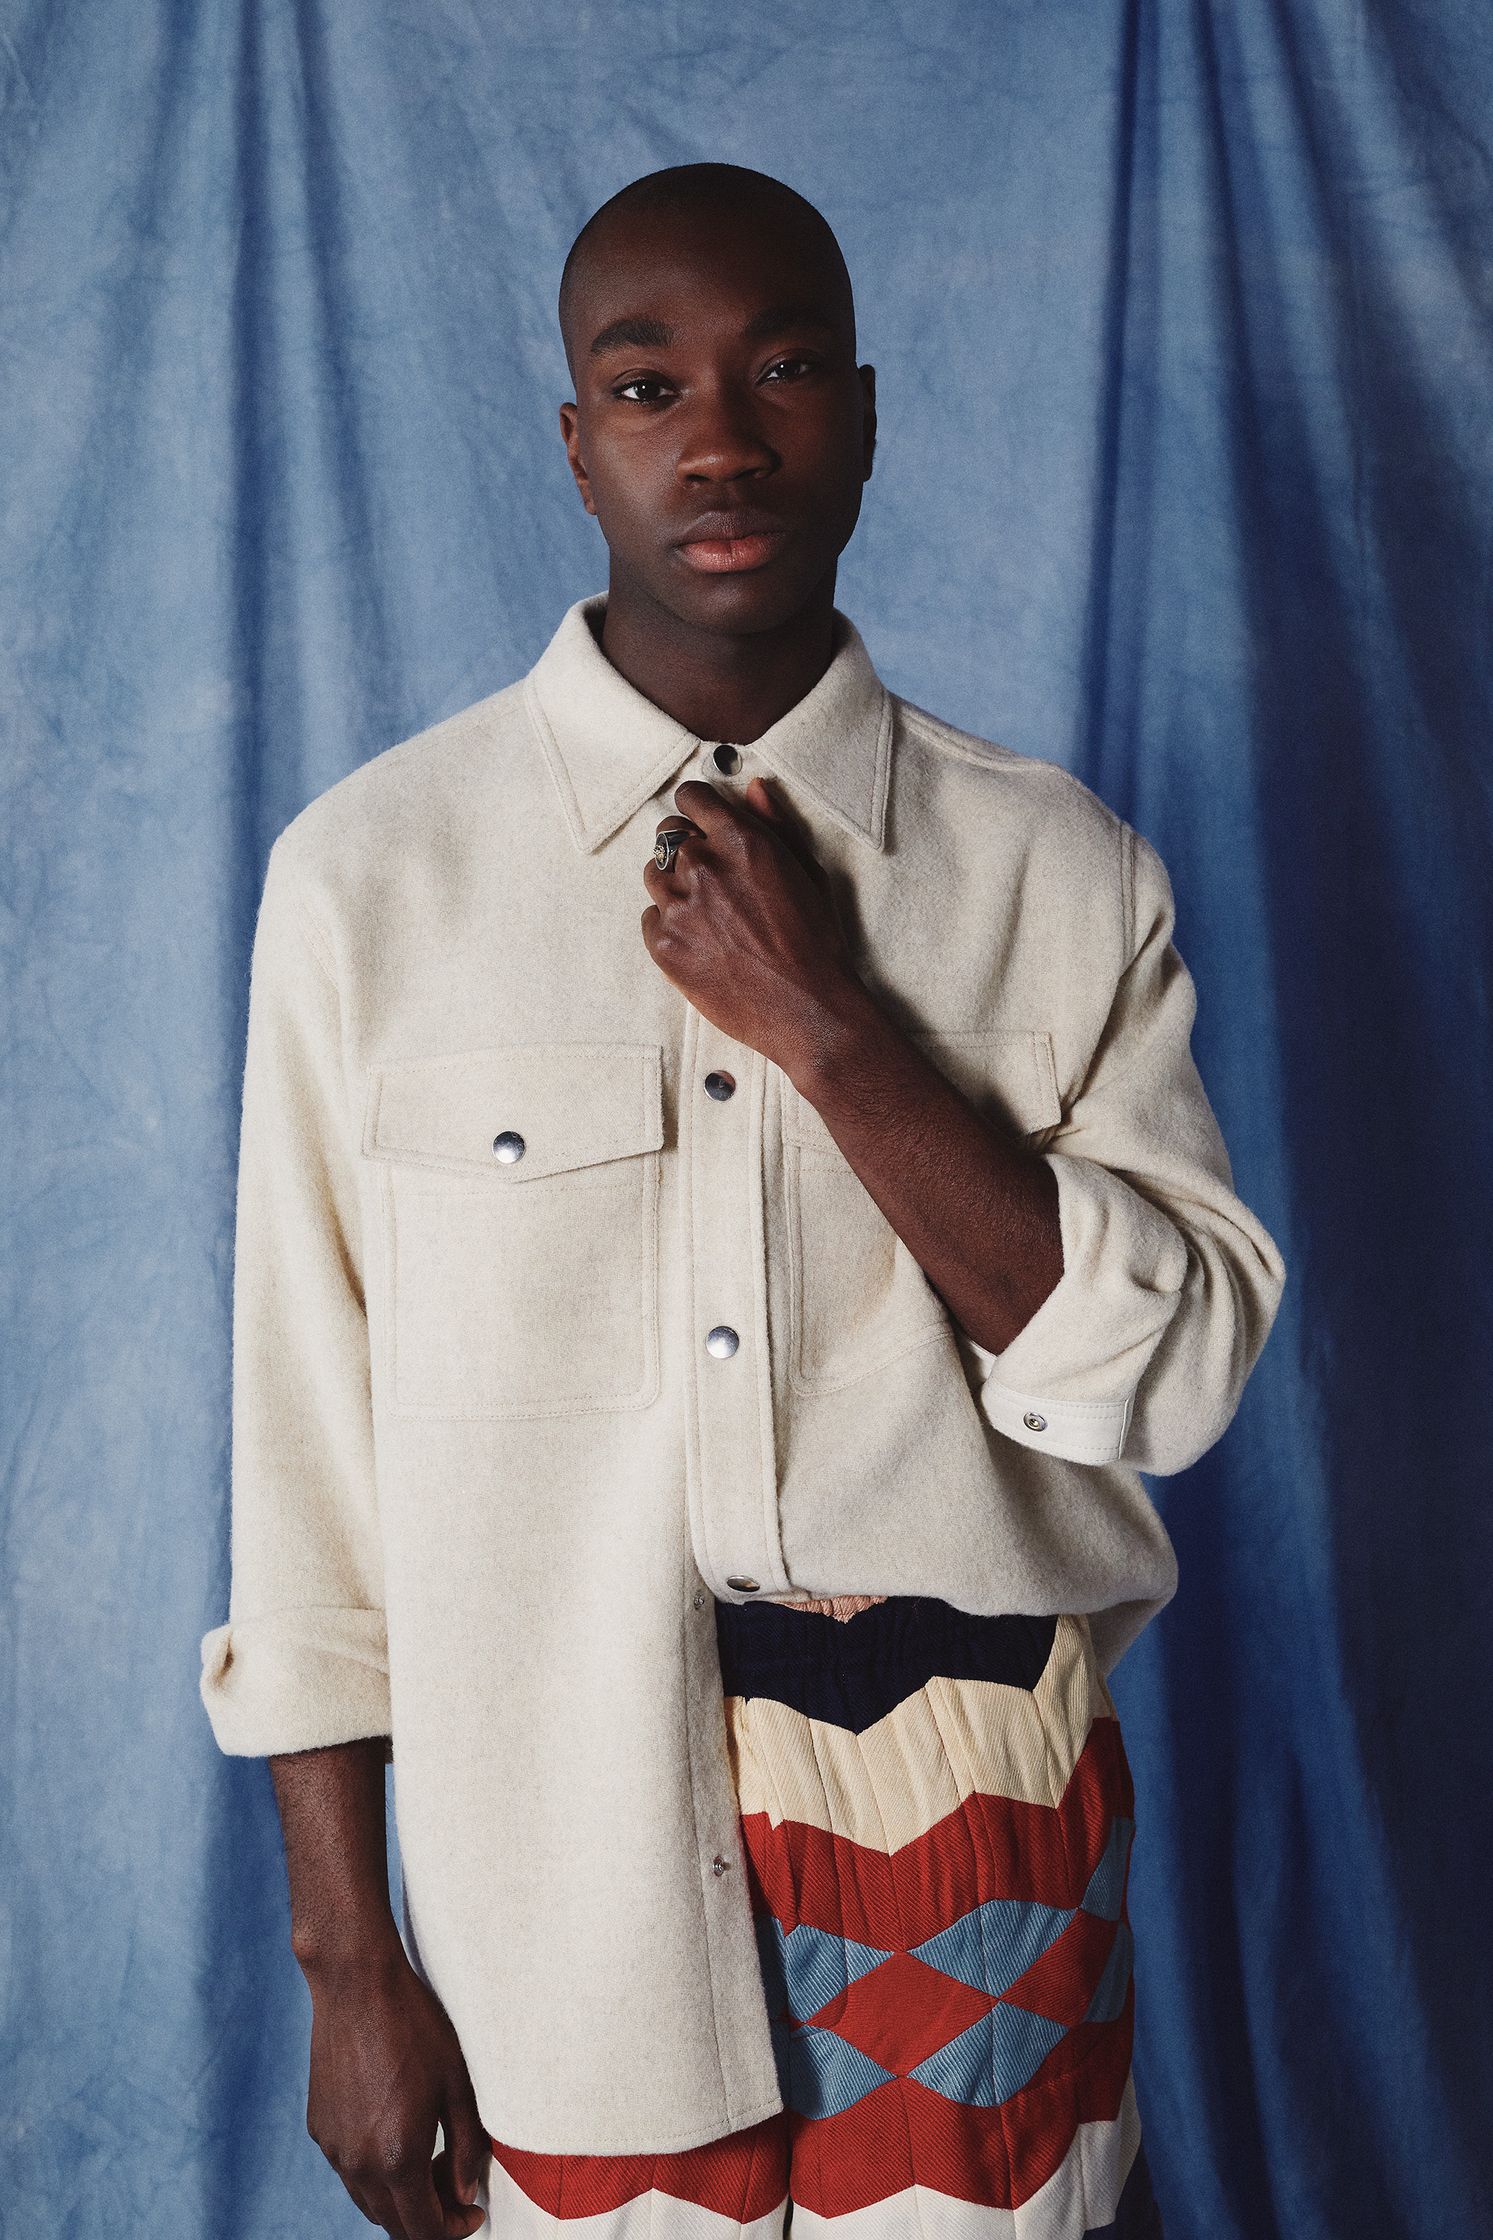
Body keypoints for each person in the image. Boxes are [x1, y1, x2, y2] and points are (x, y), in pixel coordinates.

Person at [199, 162, 1285, 2239]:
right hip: (565, 1873)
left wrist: (839, 1033)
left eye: (781, 366)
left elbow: (1177, 1381)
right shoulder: (370, 883)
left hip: (981, 1847)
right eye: (647, 380)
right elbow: (305, 1451)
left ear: (864, 411)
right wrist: (349, 1959)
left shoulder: (1058, 874)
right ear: (575, 439)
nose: (720, 432)